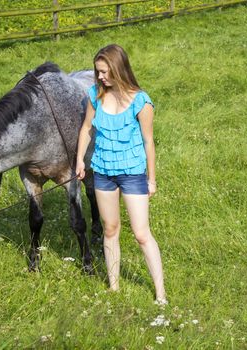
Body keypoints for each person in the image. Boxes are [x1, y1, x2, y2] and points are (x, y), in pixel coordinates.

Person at [76, 44, 167, 304]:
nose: (100, 77)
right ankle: (114, 288)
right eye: (97, 72)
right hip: (103, 171)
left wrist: (151, 178)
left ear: (118, 69)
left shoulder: (141, 101)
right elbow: (86, 129)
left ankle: (160, 293)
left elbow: (149, 142)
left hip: (132, 173)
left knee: (141, 234)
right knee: (110, 229)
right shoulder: (95, 95)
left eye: (104, 72)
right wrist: (80, 161)